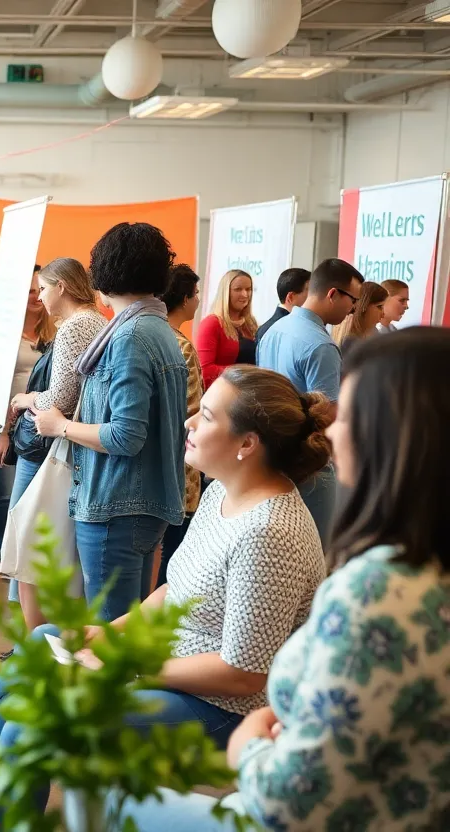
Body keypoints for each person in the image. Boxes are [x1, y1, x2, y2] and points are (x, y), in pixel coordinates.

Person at [0, 366, 329, 815]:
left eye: (207, 416)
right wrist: (109, 634)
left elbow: (243, 675)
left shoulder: (268, 533)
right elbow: (175, 590)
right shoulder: (223, 494)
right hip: (175, 672)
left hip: (224, 711)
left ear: (247, 444)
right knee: (43, 641)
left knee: (27, 722)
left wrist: (130, 666)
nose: (190, 421)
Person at [115, 327, 450, 831]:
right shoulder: (409, 575)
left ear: (394, 435)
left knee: (108, 797)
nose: (332, 433)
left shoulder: (374, 591)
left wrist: (251, 743)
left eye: (349, 416)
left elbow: (288, 798)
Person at [32, 224, 187, 621]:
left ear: (103, 272)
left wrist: (59, 426)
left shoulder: (129, 337)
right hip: (139, 501)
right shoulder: (158, 329)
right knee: (125, 629)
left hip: (116, 502)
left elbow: (125, 435)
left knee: (108, 634)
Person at [2, 257, 106, 627]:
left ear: (61, 287)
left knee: (29, 539)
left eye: (43, 289)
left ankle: (34, 639)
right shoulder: (98, 321)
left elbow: (60, 397)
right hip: (77, 445)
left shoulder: (75, 326)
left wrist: (25, 399)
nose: (40, 297)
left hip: (58, 445)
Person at [258, 257, 363, 546]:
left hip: (271, 458)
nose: (353, 309)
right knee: (315, 552)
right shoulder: (321, 345)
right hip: (310, 468)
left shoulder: (274, 330)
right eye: (353, 300)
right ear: (333, 294)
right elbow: (327, 417)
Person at [0, 270, 53, 574]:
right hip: (7, 421)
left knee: (33, 494)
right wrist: (4, 432)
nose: (36, 297)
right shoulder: (7, 336)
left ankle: (22, 557)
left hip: (40, 424)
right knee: (6, 492)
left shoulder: (52, 333)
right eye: (29, 291)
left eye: (39, 289)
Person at [157, 264, 203, 587]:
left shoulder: (151, 336)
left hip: (155, 468)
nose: (198, 300)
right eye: (196, 294)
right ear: (185, 299)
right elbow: (191, 412)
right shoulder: (182, 346)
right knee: (172, 558)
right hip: (180, 470)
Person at [195, 268, 258, 388]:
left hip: (248, 392)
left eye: (248, 289)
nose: (245, 294)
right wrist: (245, 372)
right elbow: (205, 370)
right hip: (223, 393)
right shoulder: (212, 323)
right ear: (226, 292)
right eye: (238, 289)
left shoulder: (251, 323)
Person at [254, 267, 309, 344]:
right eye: (310, 293)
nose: (312, 298)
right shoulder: (291, 330)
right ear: (290, 297)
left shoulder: (265, 328)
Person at [332, 280, 387, 346]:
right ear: (364, 306)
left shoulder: (373, 332)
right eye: (380, 307)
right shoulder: (350, 342)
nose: (383, 315)